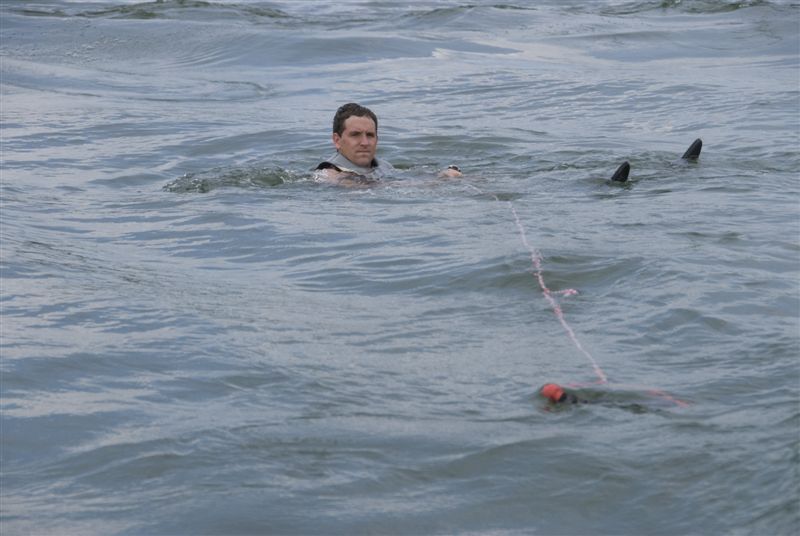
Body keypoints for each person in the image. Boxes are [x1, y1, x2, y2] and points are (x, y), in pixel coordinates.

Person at [314, 102, 462, 186]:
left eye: (370, 135)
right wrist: (429, 183)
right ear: (337, 140)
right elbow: (353, 188)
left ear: (377, 139)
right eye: (355, 135)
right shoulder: (327, 174)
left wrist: (443, 175)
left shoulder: (383, 166)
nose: (365, 142)